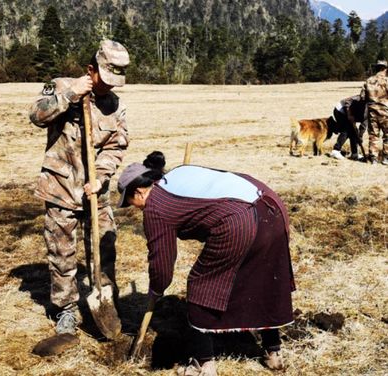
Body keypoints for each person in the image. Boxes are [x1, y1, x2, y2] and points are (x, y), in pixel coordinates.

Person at [117, 152, 295, 375]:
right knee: (261, 279)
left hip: (240, 221)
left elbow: (162, 261)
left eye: (131, 203)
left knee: (201, 285)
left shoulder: (154, 206)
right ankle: (273, 353)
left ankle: (203, 363)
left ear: (139, 192)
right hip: (272, 208)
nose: (136, 209)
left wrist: (156, 288)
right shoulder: (176, 175)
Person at [28, 40, 130, 338]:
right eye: (104, 79)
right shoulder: (61, 86)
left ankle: (105, 300)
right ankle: (67, 311)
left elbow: (116, 146)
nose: (107, 88)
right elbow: (36, 115)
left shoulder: (115, 106)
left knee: (104, 248)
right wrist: (70, 95)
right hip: (60, 188)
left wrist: (100, 176)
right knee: (62, 253)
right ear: (91, 69)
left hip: (96, 193)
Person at [360, 59, 388, 165]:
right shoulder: (387, 80)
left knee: (373, 136)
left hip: (372, 112)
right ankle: (386, 159)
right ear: (385, 68)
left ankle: (374, 159)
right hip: (386, 112)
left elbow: (362, 97)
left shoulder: (368, 80)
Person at [329, 95, 366, 161]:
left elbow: (363, 126)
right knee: (346, 130)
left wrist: (359, 137)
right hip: (340, 111)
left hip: (349, 114)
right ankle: (335, 151)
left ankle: (354, 154)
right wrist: (349, 114)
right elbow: (347, 102)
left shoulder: (371, 114)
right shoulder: (362, 99)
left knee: (354, 132)